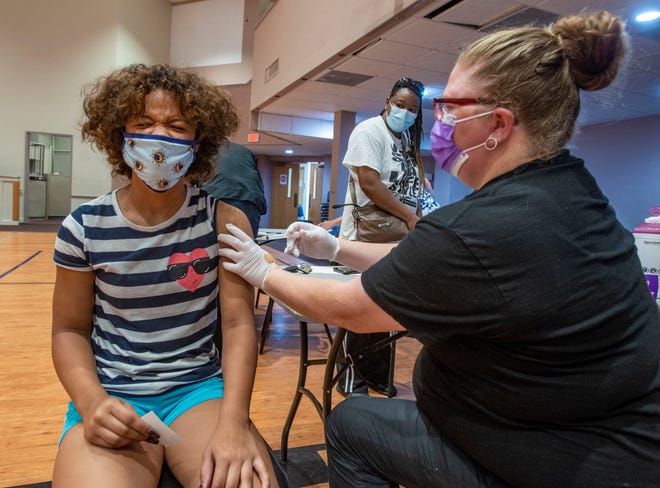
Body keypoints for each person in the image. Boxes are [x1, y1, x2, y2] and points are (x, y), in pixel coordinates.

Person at [218, 11, 660, 488]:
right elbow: (428, 261)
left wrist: (264, 271)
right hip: (609, 439)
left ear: (498, 123)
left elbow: (353, 309)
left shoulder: (488, 224)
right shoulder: (569, 189)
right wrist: (335, 247)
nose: (439, 122)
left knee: (351, 425)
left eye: (450, 107)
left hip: (563, 462)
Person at [51, 64, 283, 488]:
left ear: (199, 142)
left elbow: (236, 326)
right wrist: (92, 402)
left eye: (176, 125)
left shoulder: (224, 221)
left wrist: (235, 421)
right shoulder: (82, 226)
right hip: (113, 392)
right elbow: (68, 331)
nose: (159, 136)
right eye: (143, 123)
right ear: (118, 134)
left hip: (196, 392)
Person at [335, 76, 425, 397]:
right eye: (400, 105)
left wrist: (419, 219)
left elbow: (412, 191)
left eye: (413, 109)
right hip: (366, 236)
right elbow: (370, 184)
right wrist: (409, 217)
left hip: (396, 238)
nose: (405, 112)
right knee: (360, 305)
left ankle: (376, 374)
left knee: (385, 309)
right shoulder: (369, 131)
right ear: (388, 102)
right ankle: (350, 377)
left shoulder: (405, 141)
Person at [203, 141, 267, 238]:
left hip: (218, 194)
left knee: (211, 244)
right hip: (250, 199)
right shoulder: (244, 151)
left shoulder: (206, 150)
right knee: (245, 246)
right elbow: (256, 178)